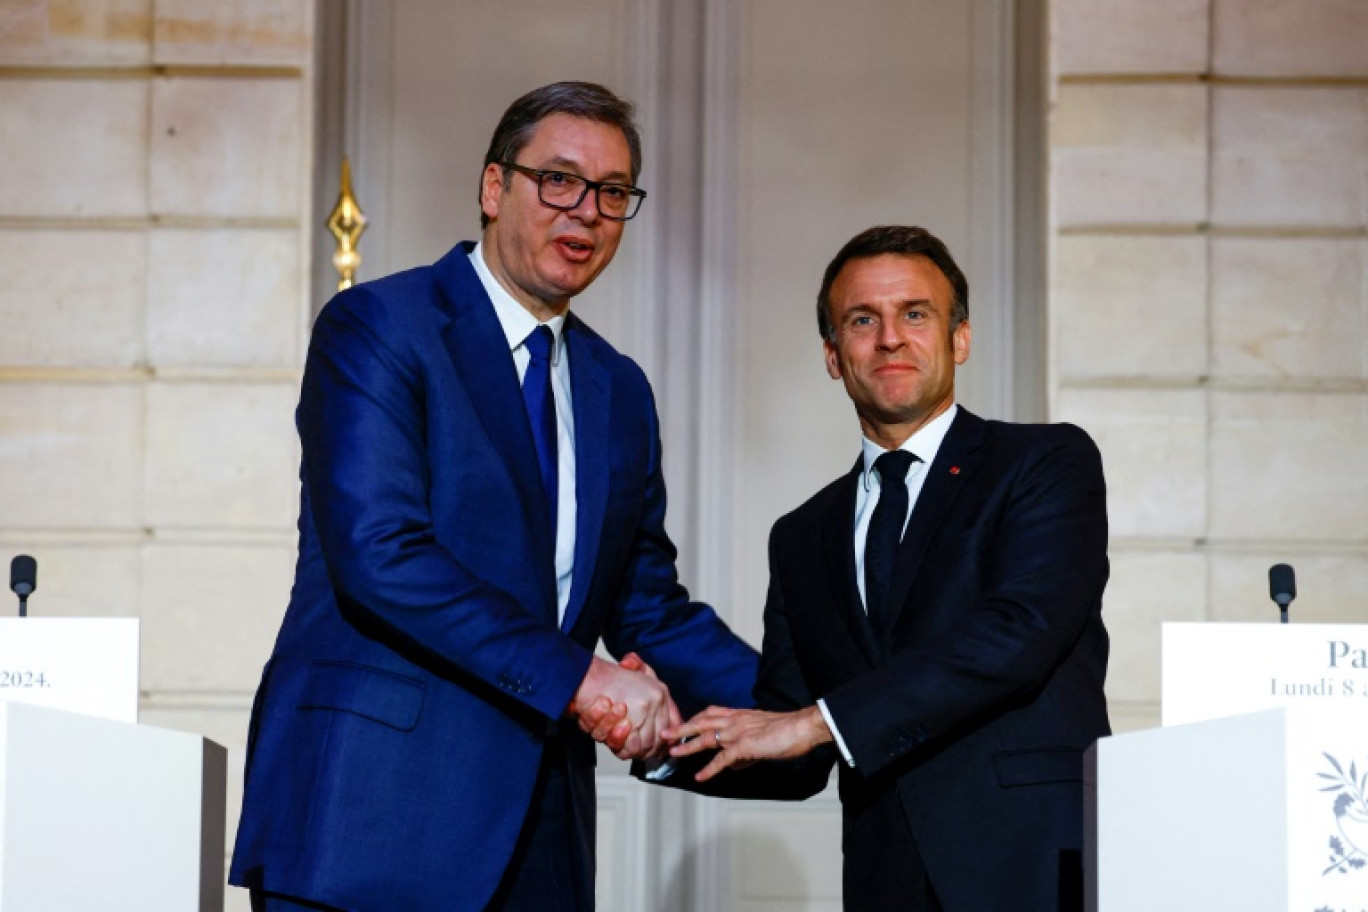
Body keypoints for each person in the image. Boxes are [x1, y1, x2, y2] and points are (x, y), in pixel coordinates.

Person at [228, 81, 758, 912]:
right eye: (558, 179)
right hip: (368, 824)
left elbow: (646, 607)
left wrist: (817, 710)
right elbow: (382, 556)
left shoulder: (619, 389)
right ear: (492, 187)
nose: (584, 211)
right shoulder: (377, 327)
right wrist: (582, 680)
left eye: (612, 193)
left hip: (542, 838)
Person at [662, 225, 1111, 911]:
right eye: (862, 319)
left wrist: (816, 722)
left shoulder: (1044, 464)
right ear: (833, 355)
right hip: (885, 880)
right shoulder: (802, 536)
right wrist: (664, 738)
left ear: (959, 338)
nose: (890, 338)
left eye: (915, 314)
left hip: (1033, 865)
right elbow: (794, 743)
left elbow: (1019, 632)